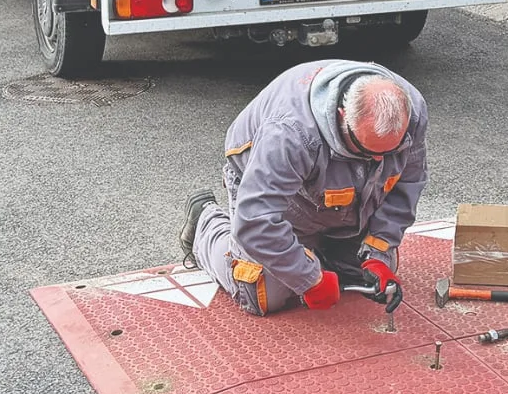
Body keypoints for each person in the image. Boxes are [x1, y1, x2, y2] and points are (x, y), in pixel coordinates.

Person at [181, 60, 426, 316]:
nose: (379, 161)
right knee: (262, 291)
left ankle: (322, 249)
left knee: (373, 274)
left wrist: (378, 251)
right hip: (286, 199)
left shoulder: (414, 112)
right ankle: (205, 225)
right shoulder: (290, 133)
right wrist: (309, 279)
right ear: (343, 116)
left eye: (389, 153)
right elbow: (256, 220)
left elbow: (407, 184)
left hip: (350, 200)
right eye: (367, 150)